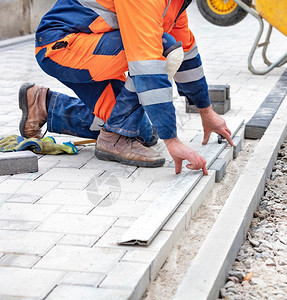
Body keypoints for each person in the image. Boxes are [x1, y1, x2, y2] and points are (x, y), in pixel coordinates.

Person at [19, 0, 234, 174]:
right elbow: (147, 64)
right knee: (161, 47)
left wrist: (206, 111)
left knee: (143, 133)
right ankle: (114, 137)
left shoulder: (176, 4)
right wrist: (172, 140)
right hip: (61, 45)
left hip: (91, 48)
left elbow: (186, 55)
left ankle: (45, 105)